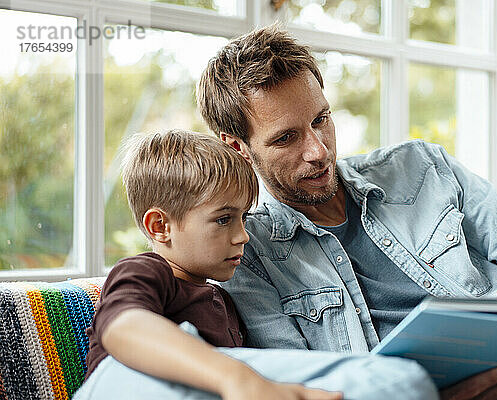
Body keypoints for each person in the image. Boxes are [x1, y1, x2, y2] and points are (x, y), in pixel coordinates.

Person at [196, 25, 497, 399]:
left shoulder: (420, 167)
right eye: (286, 138)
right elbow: (299, 386)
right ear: (237, 147)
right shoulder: (245, 254)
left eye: (321, 120)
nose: (318, 151)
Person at [74, 129, 440, 400]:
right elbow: (123, 328)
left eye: (244, 218)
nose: (243, 236)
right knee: (399, 383)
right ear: (161, 226)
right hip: (120, 385)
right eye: (223, 219)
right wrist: (236, 377)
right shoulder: (146, 271)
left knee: (399, 383)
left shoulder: (224, 300)